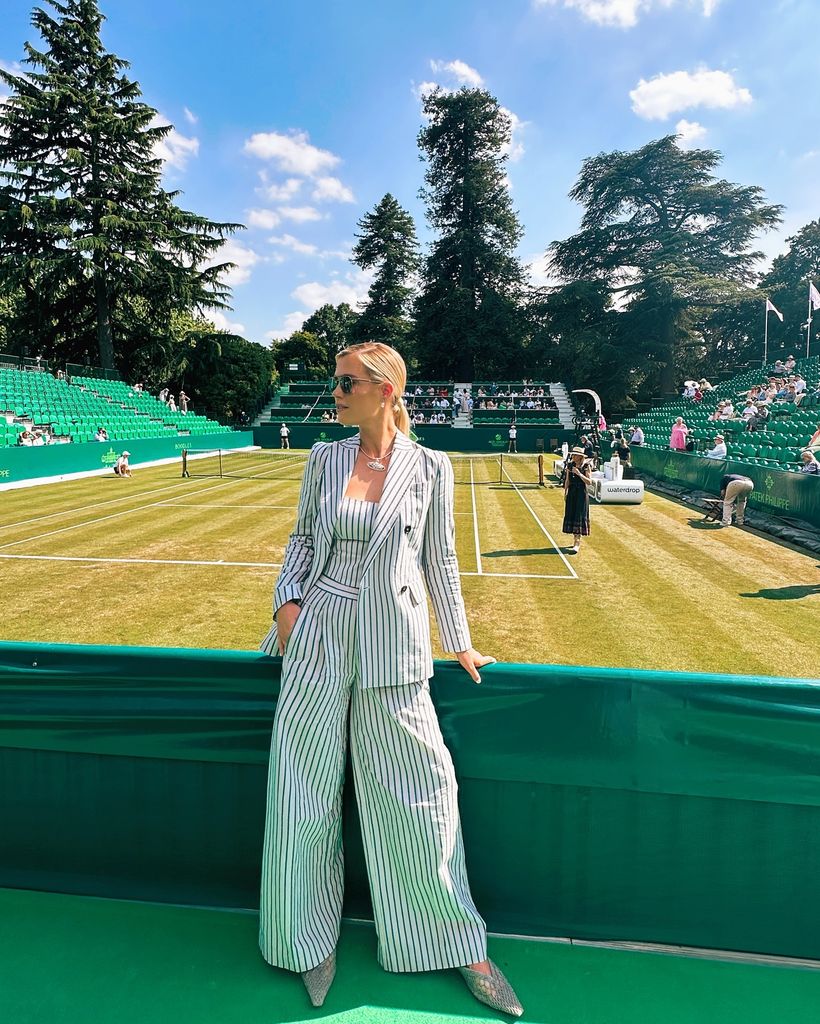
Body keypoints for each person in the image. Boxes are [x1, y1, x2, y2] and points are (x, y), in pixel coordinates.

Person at [257, 342, 521, 1017]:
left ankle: (460, 944)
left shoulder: (433, 467)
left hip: (394, 648)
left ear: (384, 389)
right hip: (316, 634)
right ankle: (305, 944)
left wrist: (459, 642)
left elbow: (444, 559)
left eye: (345, 382)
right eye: (335, 381)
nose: (334, 392)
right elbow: (302, 542)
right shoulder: (323, 458)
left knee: (425, 796)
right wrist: (287, 606)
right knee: (303, 795)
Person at [562, 446, 592, 554]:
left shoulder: (586, 466)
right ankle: (575, 539)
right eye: (572, 455)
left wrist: (579, 474)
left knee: (579, 516)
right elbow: (567, 480)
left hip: (581, 494)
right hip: (572, 493)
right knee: (572, 514)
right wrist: (565, 492)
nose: (573, 456)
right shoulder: (570, 465)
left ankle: (577, 543)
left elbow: (589, 482)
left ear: (580, 456)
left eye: (575, 455)